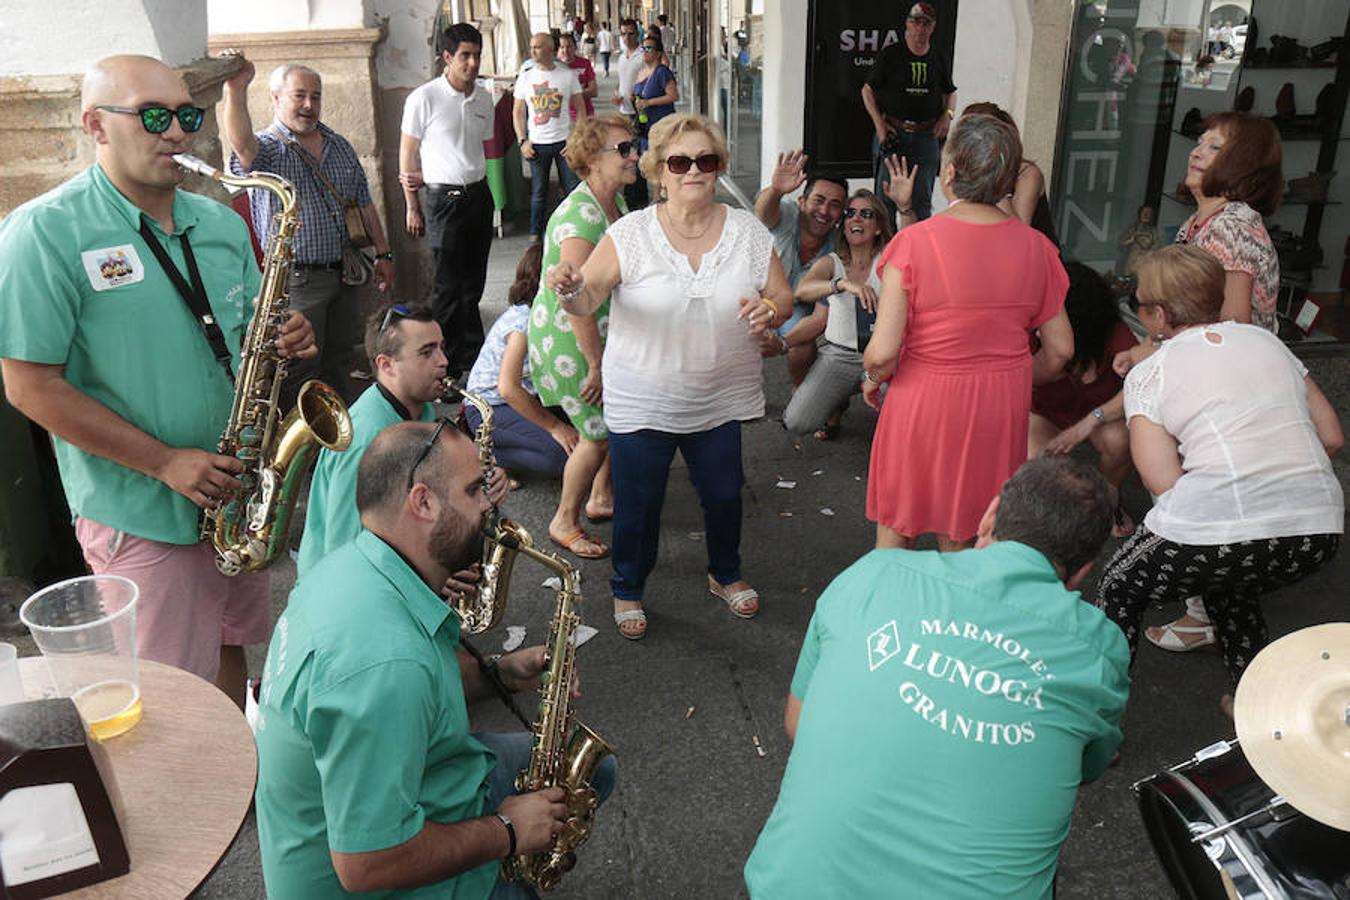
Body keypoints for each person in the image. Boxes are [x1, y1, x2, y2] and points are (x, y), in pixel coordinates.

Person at [0, 55, 317, 702]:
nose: (176, 132)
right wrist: (166, 462)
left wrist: (288, 335)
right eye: (151, 116)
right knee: (171, 694)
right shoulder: (43, 233)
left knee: (231, 647)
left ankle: (232, 793)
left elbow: (251, 330)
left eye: (186, 115)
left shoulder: (223, 223)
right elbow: (29, 386)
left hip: (236, 490)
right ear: (96, 125)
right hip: (141, 509)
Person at [256, 420, 616, 899]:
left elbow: (410, 698)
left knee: (597, 770)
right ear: (422, 502)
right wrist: (507, 831)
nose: (490, 506)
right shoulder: (384, 663)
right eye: (473, 491)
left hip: (415, 783)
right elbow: (367, 865)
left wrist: (501, 674)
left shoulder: (352, 566)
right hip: (375, 875)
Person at [745, 456, 1129, 899]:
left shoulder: (875, 572)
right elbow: (1087, 765)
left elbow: (798, 723)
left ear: (989, 516)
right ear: (1080, 574)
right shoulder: (1098, 648)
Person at [547, 114, 794, 640]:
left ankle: (724, 573)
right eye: (680, 162)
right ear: (660, 170)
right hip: (643, 398)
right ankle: (628, 587)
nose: (694, 171)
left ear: (718, 167)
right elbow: (586, 296)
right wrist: (570, 287)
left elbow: (783, 293)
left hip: (718, 395)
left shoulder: (746, 230)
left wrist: (770, 309)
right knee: (638, 504)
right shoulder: (630, 233)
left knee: (725, 494)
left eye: (706, 161)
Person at [1095, 245, 1342, 715]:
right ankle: (1253, 707)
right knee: (1229, 577)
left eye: (1141, 303)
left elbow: (1162, 480)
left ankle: (1101, 725)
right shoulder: (1268, 342)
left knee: (1117, 587)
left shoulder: (1151, 371)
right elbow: (1330, 435)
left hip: (1219, 525)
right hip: (1316, 530)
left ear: (1160, 314)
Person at [862, 112, 1073, 552]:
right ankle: (955, 619)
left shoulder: (915, 243)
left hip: (923, 396)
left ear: (951, 172)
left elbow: (882, 353)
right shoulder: (1038, 249)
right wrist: (1009, 374)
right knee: (966, 529)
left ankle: (887, 617)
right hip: (998, 403)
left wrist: (874, 377)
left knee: (897, 523)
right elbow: (1061, 351)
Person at [220, 55, 393, 407]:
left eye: (315, 96)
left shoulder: (339, 145)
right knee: (299, 366)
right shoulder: (268, 149)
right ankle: (300, 450)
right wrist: (235, 90)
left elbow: (364, 203)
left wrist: (384, 253)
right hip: (296, 282)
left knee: (340, 358)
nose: (309, 104)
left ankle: (339, 437)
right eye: (299, 95)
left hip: (342, 274)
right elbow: (241, 147)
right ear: (276, 98)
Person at [298, 301, 508, 578]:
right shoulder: (364, 439)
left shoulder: (421, 411)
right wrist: (428, 581)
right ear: (387, 365)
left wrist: (476, 481)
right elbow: (344, 549)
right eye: (427, 352)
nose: (443, 361)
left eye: (441, 347)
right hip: (350, 590)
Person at [528, 115, 641, 561]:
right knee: (595, 435)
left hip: (595, 337)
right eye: (624, 149)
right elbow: (575, 298)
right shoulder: (581, 217)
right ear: (592, 161)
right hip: (572, 343)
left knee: (613, 419)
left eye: (633, 146)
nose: (634, 155)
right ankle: (564, 519)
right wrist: (595, 364)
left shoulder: (614, 203)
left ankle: (601, 496)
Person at [400, 22, 496, 378]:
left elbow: (468, 149)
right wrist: (412, 205)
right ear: (447, 57)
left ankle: (472, 358)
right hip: (443, 203)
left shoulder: (483, 97)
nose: (472, 63)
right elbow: (407, 156)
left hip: (478, 196)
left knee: (474, 284)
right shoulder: (424, 98)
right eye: (465, 56)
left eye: (476, 55)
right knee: (446, 288)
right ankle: (443, 363)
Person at [1030, 263, 1139, 537]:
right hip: (1046, 411)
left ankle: (1106, 499)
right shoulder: (1032, 335)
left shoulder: (1115, 336)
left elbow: (1142, 385)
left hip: (1097, 413)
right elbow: (1018, 380)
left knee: (1120, 440)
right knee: (1037, 460)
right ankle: (1065, 508)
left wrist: (1092, 421)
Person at [781, 190, 894, 441]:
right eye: (850, 213)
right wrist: (841, 285)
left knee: (905, 423)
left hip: (883, 356)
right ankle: (836, 401)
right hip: (839, 356)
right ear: (843, 225)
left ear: (877, 228)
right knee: (797, 422)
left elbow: (914, 242)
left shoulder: (889, 258)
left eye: (866, 214)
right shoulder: (831, 263)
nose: (856, 219)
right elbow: (802, 290)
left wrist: (906, 206)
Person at [463, 244, 570, 481]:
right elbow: (508, 388)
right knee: (563, 456)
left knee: (588, 437)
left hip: (526, 399)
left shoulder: (550, 312)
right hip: (489, 409)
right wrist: (556, 428)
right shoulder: (523, 321)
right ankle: (486, 454)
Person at [1175, 111, 1282, 331]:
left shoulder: (1231, 228)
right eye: (1199, 143)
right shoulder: (1196, 221)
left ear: (1243, 165)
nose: (1195, 153)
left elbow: (1232, 329)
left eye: (1214, 147)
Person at [861, 2, 956, 224]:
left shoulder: (939, 57)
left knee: (922, 201)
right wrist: (879, 124)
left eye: (926, 23)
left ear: (932, 28)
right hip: (895, 134)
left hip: (926, 137)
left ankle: (917, 254)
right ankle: (886, 254)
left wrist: (948, 115)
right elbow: (867, 90)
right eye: (915, 22)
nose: (920, 29)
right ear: (907, 24)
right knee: (885, 201)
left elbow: (950, 92)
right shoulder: (890, 55)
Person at [515, 32, 589, 243]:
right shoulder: (526, 77)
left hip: (564, 142)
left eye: (538, 47)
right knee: (539, 192)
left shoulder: (567, 75)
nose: (533, 52)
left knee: (573, 188)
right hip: (537, 144)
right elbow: (517, 112)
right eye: (531, 47)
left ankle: (576, 228)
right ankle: (535, 233)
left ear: (550, 49)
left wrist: (575, 139)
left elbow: (581, 109)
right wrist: (522, 140)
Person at [962, 102, 1058, 246]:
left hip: (1036, 258)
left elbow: (1019, 233)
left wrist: (995, 176)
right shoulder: (970, 172)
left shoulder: (1027, 174)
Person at [612, 20, 647, 209]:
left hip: (639, 112)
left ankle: (638, 198)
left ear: (638, 34)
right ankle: (632, 194)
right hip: (624, 110)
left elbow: (652, 74)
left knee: (636, 153)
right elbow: (621, 81)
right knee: (627, 152)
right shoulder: (622, 57)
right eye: (624, 34)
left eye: (631, 33)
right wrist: (617, 94)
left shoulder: (643, 55)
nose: (627, 37)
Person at [558, 32, 598, 119]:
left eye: (569, 46)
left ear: (575, 47)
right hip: (564, 117)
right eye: (562, 47)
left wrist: (567, 96)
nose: (565, 50)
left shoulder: (584, 63)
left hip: (586, 113)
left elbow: (594, 91)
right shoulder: (556, 67)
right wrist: (581, 92)